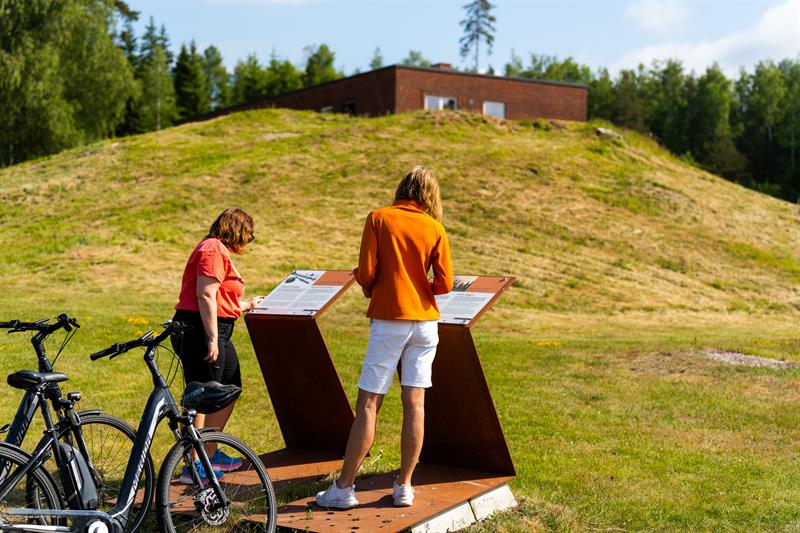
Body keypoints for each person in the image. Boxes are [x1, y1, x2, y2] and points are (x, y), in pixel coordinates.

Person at [316, 166, 453, 509]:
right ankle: (405, 485)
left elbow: (366, 272)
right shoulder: (435, 227)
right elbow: (445, 283)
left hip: (390, 319)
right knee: (415, 403)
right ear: (429, 195)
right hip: (425, 322)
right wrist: (425, 287)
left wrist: (369, 287)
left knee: (369, 403)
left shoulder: (379, 218)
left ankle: (345, 488)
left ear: (402, 189)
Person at [172, 207, 262, 483]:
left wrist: (245, 305)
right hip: (199, 329)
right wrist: (211, 338)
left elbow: (220, 297)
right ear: (237, 230)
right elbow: (205, 295)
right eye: (249, 234)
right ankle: (194, 465)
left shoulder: (220, 251)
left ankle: (210, 449)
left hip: (216, 327)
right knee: (202, 396)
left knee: (229, 388)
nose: (249, 239)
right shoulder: (212, 249)